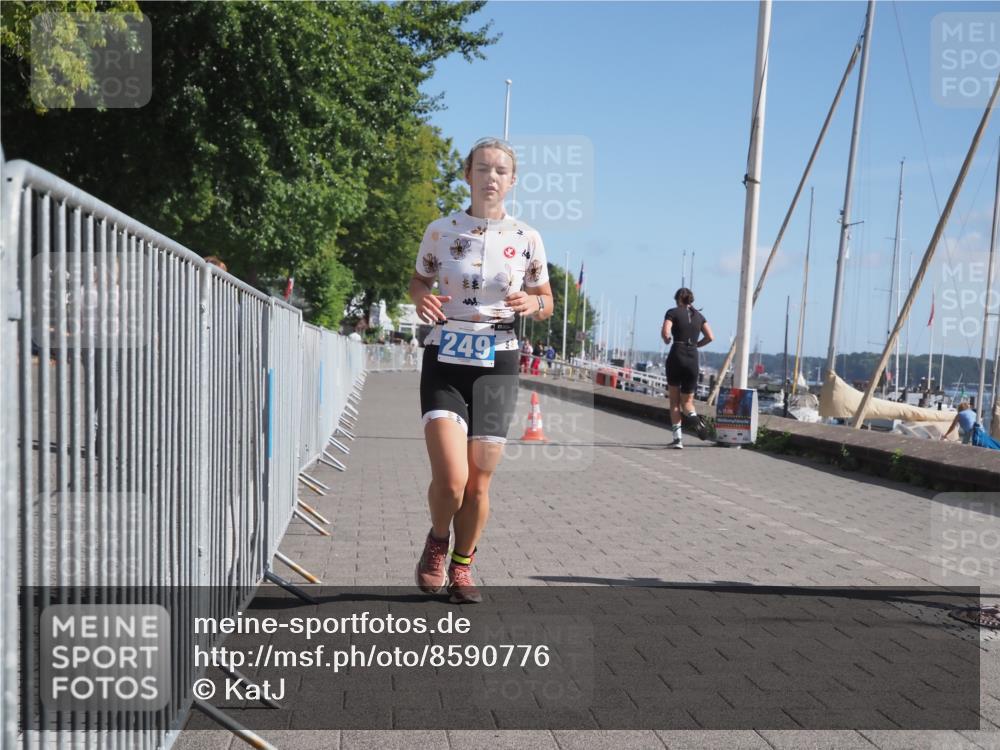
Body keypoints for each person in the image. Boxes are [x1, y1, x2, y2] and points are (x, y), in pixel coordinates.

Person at [408, 136, 554, 603]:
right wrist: (420, 298)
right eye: (482, 168)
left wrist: (533, 302)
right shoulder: (441, 230)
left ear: (512, 182)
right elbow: (419, 280)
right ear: (467, 174)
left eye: (500, 171)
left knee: (479, 482)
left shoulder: (527, 237)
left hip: (499, 359)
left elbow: (547, 301)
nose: (490, 177)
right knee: (451, 480)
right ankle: (436, 540)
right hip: (446, 357)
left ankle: (462, 566)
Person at [661, 288, 714, 449]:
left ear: (677, 299)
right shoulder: (700, 316)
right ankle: (694, 418)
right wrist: (697, 345)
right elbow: (710, 337)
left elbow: (665, 332)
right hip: (693, 357)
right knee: (688, 401)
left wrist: (667, 339)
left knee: (674, 402)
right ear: (691, 300)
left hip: (677, 354)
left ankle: (678, 439)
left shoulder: (673, 312)